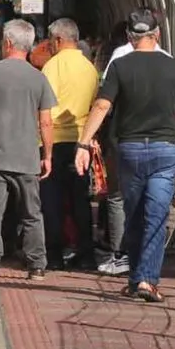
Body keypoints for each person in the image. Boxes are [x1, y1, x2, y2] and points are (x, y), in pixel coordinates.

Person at [75, 9, 175, 302]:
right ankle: (147, 280)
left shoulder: (120, 66)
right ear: (157, 34)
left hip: (130, 150)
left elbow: (101, 107)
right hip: (164, 150)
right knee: (157, 217)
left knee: (134, 215)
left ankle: (137, 278)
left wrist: (84, 144)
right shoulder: (174, 67)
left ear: (131, 37)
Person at [0, 19, 56, 282]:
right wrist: (47, 155)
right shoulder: (39, 77)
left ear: (7, 43)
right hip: (27, 158)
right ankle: (37, 266)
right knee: (31, 214)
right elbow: (46, 121)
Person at [39, 18, 100, 271]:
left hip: (55, 141)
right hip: (81, 143)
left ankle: (54, 255)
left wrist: (46, 150)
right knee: (79, 200)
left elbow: (45, 109)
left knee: (51, 201)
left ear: (58, 40)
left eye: (51, 41)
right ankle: (86, 254)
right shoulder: (90, 68)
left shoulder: (52, 67)